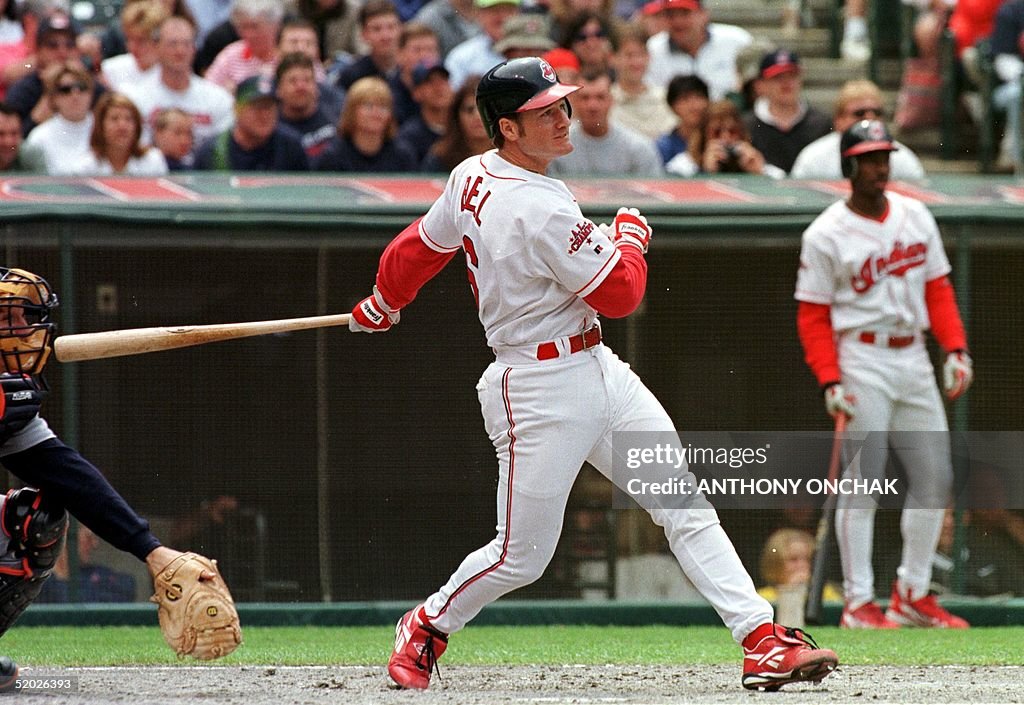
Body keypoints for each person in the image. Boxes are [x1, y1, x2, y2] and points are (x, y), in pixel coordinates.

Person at [347, 55, 838, 692]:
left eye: (560, 105)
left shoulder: (472, 174)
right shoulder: (537, 205)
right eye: (541, 113)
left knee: (681, 501)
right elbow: (623, 292)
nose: (560, 118)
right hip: (538, 385)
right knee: (520, 556)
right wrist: (630, 235)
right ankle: (428, 622)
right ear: (507, 128)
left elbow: (417, 248)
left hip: (597, 365)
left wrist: (385, 300)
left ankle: (759, 638)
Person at [0, 266, 239, 681]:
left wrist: (152, 550)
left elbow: (67, 475)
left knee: (34, 522)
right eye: (8, 318)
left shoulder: (11, 399)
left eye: (26, 316)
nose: (24, 329)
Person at [794, 119, 973, 630]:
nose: (880, 167)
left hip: (913, 353)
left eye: (884, 157)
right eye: (870, 158)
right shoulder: (825, 232)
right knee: (863, 482)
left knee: (935, 477)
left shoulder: (915, 215)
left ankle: (912, 595)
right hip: (861, 356)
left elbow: (938, 289)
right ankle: (859, 602)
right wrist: (830, 379)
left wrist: (955, 348)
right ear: (849, 165)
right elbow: (812, 315)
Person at [122, 16, 234, 146]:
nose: (180, 51)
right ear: (156, 46)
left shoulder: (218, 99)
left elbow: (222, 151)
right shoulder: (135, 97)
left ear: (194, 49)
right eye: (172, 44)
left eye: (186, 44)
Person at [790, 80, 926, 180]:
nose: (870, 119)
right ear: (839, 120)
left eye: (877, 113)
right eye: (859, 113)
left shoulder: (902, 157)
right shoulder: (814, 158)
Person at [548, 68, 663, 176]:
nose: (592, 106)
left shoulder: (638, 149)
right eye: (585, 98)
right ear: (573, 101)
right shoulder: (555, 148)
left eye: (600, 97)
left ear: (611, 100)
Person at [194, 74, 309, 171]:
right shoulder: (213, 151)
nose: (264, 115)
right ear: (237, 109)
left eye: (269, 107)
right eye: (257, 107)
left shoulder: (291, 148)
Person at [742, 49, 830, 175]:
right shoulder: (746, 125)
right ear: (759, 85)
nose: (786, 83)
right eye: (777, 77)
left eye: (792, 76)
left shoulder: (822, 123)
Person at [643, 0, 751, 101]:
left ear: (704, 15)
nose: (678, 21)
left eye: (685, 13)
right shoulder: (654, 49)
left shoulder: (736, 40)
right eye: (670, 15)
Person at [313, 75, 417, 171]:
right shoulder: (333, 157)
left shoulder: (402, 156)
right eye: (368, 106)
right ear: (351, 111)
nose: (376, 113)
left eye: (383, 107)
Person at [666, 98, 780, 177]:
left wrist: (759, 173)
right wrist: (705, 173)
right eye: (716, 132)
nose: (725, 137)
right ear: (704, 135)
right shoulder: (683, 165)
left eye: (732, 131)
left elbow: (781, 180)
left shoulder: (754, 163)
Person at [67, 92, 168, 175]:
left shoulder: (153, 161)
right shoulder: (85, 167)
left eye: (128, 119)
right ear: (101, 125)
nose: (122, 126)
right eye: (114, 119)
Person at [21, 61, 94, 174]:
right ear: (53, 97)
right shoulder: (39, 137)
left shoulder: (105, 129)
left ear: (90, 93)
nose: (75, 95)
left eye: (82, 87)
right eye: (65, 90)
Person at [608, 22, 676, 141]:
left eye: (641, 54)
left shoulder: (665, 98)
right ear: (613, 58)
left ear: (649, 57)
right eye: (629, 55)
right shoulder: (605, 101)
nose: (636, 62)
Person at [203, 0, 283, 94]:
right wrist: (224, 94)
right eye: (244, 27)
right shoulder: (231, 54)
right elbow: (206, 90)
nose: (249, 34)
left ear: (275, 26)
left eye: (255, 27)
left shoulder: (285, 55)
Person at [275, 52, 339, 161]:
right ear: (279, 89)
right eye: (293, 81)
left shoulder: (337, 123)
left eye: (307, 80)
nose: (301, 87)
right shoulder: (270, 128)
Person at [420, 74, 490, 172]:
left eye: (485, 109)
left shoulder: (512, 156)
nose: (477, 116)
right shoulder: (440, 158)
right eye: (469, 110)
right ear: (457, 116)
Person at [444, 0, 519, 90]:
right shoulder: (461, 57)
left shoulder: (535, 49)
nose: (502, 17)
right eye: (494, 11)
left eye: (508, 10)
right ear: (478, 14)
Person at [99, 0, 168, 92]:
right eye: (129, 39)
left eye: (141, 40)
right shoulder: (110, 70)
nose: (132, 47)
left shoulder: (172, 73)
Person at [757, 528, 841, 604]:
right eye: (793, 559)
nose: (802, 565)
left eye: (808, 559)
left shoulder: (825, 593)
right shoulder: (761, 598)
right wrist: (791, 591)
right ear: (775, 563)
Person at [332, 0, 402, 91]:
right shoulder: (351, 77)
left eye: (391, 27)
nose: (385, 36)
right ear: (364, 34)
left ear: (401, 29)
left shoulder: (411, 70)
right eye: (376, 29)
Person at [397, 60, 453, 165]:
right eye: (430, 82)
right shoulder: (408, 137)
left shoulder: (463, 129)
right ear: (416, 92)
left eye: (443, 80)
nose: (439, 88)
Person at [654, 73, 707, 165]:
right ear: (672, 106)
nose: (695, 106)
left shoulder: (716, 139)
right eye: (685, 99)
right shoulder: (664, 146)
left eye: (699, 97)